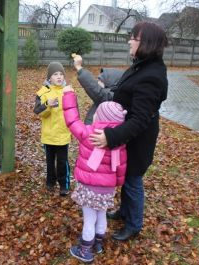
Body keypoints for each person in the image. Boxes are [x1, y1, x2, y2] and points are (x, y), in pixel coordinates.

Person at [73, 22, 168, 241]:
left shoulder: (152, 75)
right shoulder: (141, 66)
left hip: (137, 139)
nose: (129, 41)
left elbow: (140, 119)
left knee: (133, 179)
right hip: (127, 135)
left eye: (133, 38)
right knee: (124, 177)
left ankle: (133, 225)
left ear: (145, 43)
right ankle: (124, 212)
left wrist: (110, 136)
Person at [62, 87, 127, 263]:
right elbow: (121, 166)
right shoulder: (118, 141)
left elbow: (72, 121)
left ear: (101, 117)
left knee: (89, 219)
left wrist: (68, 96)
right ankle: (98, 244)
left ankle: (85, 251)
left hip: (89, 186)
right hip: (108, 188)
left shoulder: (89, 134)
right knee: (101, 215)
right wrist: (117, 183)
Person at [33, 62, 71, 196]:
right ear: (49, 78)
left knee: (62, 162)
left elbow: (73, 111)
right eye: (55, 74)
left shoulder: (68, 91)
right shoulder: (43, 92)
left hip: (63, 134)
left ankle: (64, 184)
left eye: (61, 74)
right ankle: (50, 181)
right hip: (48, 135)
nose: (59, 77)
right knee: (50, 161)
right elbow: (37, 110)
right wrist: (47, 105)